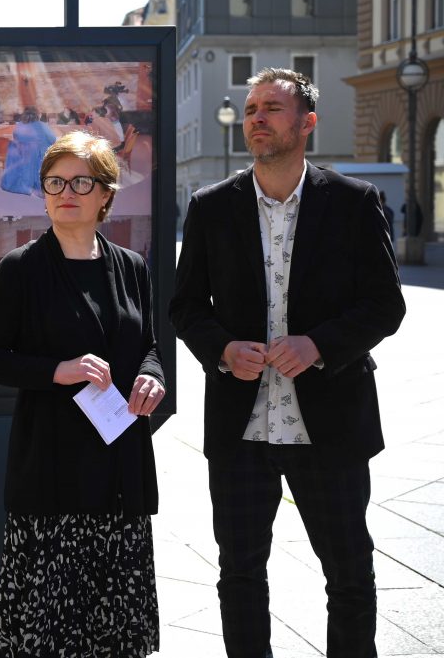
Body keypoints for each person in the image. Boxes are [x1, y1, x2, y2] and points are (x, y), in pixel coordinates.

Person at [169, 68, 406, 658]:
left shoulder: (353, 203)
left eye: (272, 108)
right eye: (251, 109)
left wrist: (319, 345)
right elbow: (185, 307)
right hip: (241, 425)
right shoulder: (210, 207)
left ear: (307, 122)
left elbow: (385, 304)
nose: (257, 118)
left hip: (329, 424)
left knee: (349, 572)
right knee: (240, 574)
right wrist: (222, 350)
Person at [0, 130, 166, 657]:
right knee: (48, 635)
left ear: (106, 193)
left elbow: (148, 346)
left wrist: (153, 376)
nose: (65, 192)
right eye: (54, 182)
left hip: (119, 468)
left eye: (80, 181)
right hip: (51, 471)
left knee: (115, 634)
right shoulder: (21, 269)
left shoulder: (131, 267)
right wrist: (56, 370)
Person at [1, 106, 58, 197]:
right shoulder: (42, 125)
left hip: (22, 157)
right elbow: (52, 139)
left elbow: (16, 137)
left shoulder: (19, 125)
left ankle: (26, 187)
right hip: (38, 157)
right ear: (37, 115)